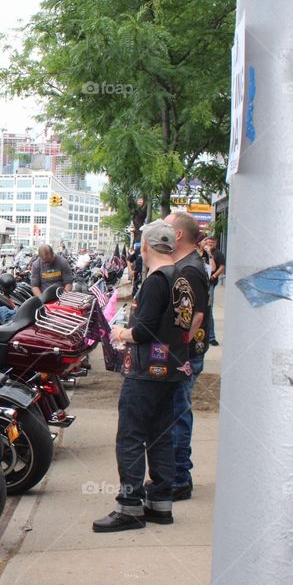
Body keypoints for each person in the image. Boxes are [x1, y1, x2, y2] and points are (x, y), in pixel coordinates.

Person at [93, 219, 194, 532]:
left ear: (146, 246)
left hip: (146, 372)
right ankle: (160, 503)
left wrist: (122, 332)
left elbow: (145, 328)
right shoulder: (181, 277)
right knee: (160, 436)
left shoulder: (155, 281)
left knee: (131, 437)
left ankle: (130, 506)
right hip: (173, 371)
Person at [164, 212, 210, 501]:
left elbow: (196, 315)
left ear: (178, 235)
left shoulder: (190, 268)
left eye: (166, 227)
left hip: (185, 356)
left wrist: (177, 350)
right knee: (173, 414)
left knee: (177, 415)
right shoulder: (184, 264)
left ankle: (180, 478)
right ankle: (177, 474)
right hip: (184, 354)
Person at [204, 237, 225, 346]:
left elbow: (217, 267)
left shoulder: (217, 254)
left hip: (210, 283)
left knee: (209, 310)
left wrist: (215, 275)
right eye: (207, 242)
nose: (209, 244)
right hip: (200, 282)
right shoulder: (199, 253)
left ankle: (211, 337)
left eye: (211, 242)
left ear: (215, 243)